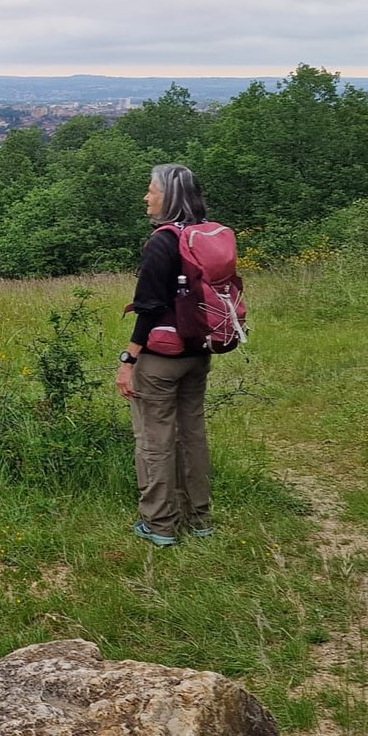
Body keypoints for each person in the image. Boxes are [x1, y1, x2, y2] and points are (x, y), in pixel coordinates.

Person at [116, 164, 214, 548]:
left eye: (151, 190)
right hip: (198, 351)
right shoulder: (204, 235)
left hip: (161, 358)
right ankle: (199, 519)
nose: (146, 196)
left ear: (168, 197)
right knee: (192, 435)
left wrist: (129, 360)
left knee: (154, 439)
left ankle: (159, 525)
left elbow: (149, 307)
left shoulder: (163, 242)